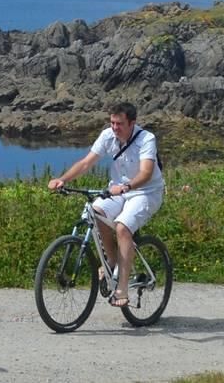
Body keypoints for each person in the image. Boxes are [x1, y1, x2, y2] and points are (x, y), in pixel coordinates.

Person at [47, 102, 163, 308]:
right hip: (117, 190)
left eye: (119, 124)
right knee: (95, 211)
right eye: (112, 122)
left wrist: (126, 186)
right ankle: (112, 261)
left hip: (146, 192)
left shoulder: (146, 139)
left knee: (122, 227)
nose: (115, 128)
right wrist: (62, 179)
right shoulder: (108, 135)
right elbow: (86, 163)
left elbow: (145, 173)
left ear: (132, 123)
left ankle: (122, 289)